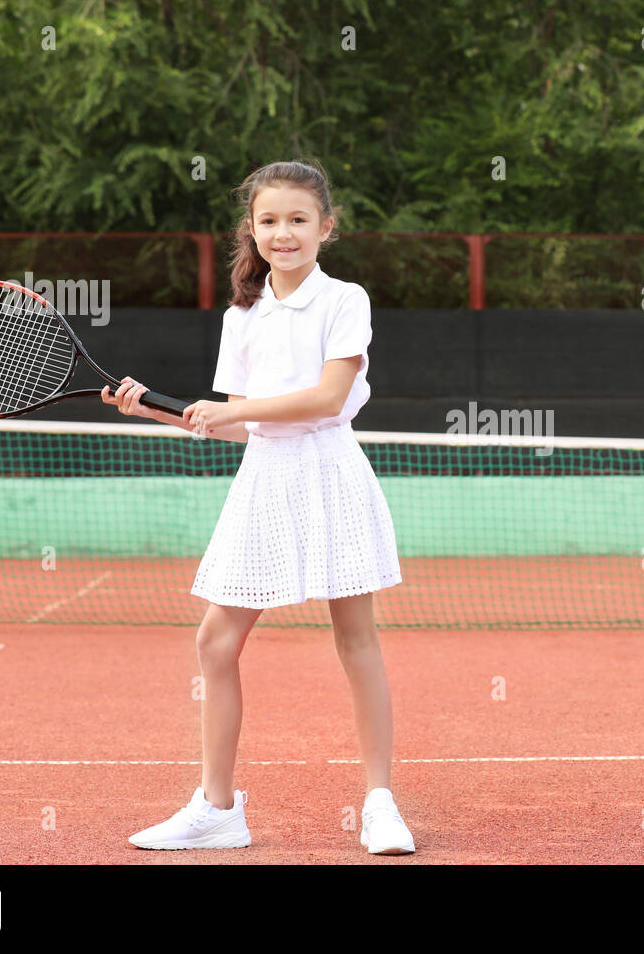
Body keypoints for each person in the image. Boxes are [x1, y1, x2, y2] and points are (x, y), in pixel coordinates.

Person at [104, 159, 413, 855]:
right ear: (252, 228)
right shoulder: (242, 316)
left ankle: (381, 804)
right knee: (214, 640)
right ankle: (218, 809)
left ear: (326, 228)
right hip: (263, 480)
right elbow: (237, 424)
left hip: (330, 470)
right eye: (269, 220)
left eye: (298, 219)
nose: (283, 233)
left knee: (355, 640)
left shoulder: (346, 300)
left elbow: (328, 399)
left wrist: (231, 408)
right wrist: (154, 408)